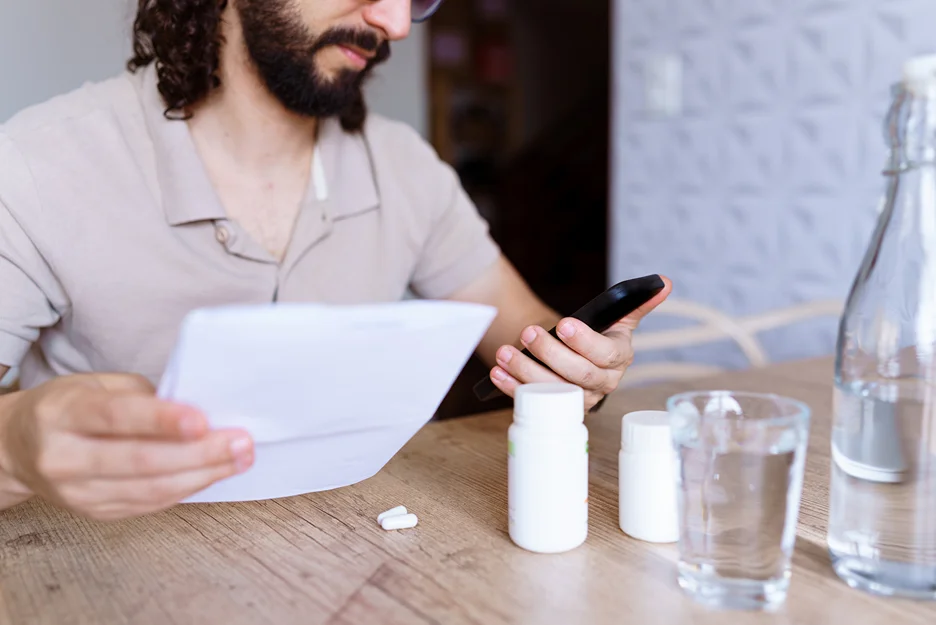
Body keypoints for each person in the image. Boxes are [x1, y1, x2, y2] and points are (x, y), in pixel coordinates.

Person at [0, 0, 671, 521]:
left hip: (359, 553)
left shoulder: (406, 167)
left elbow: (531, 333)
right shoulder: (37, 166)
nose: (396, 23)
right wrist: (18, 442)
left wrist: (581, 364)